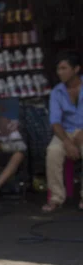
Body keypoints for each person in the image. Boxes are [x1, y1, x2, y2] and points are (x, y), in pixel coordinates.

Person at [43, 51, 83, 212]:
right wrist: (67, 142)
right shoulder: (56, 92)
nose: (60, 72)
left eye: (64, 68)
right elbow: (55, 122)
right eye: (58, 69)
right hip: (65, 132)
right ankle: (56, 197)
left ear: (76, 69)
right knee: (52, 151)